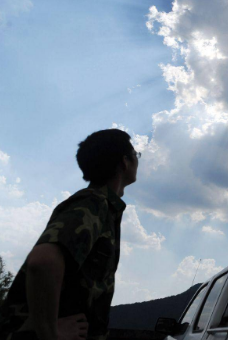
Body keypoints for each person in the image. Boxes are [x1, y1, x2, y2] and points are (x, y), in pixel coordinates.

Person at [0, 129, 140, 340]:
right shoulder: (93, 203)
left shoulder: (103, 207)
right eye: (136, 155)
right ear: (125, 162)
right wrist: (51, 334)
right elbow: (42, 261)